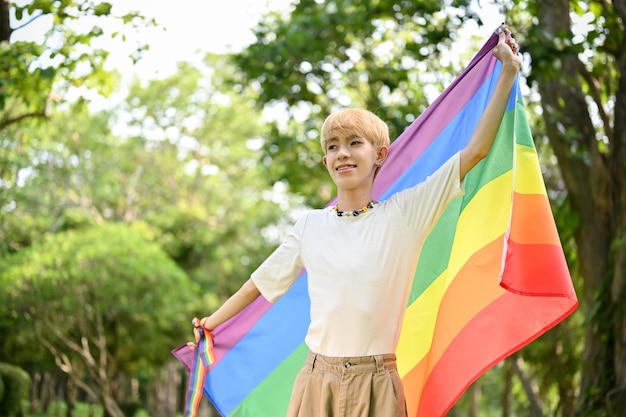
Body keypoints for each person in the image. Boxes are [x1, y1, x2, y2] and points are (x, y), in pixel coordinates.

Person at [188, 25, 522, 417]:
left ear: (379, 154)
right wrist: (210, 323)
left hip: (377, 383)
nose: (342, 154)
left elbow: (477, 149)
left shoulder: (405, 213)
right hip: (317, 380)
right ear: (326, 161)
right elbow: (256, 286)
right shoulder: (310, 226)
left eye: (353, 143)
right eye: (332, 147)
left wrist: (508, 73)